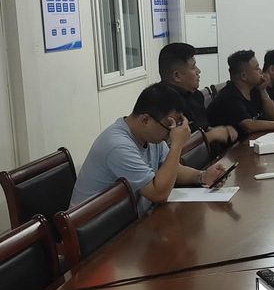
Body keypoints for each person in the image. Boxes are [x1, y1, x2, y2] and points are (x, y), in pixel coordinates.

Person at [71, 83, 227, 216]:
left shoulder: (151, 134)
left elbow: (173, 168)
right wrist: (177, 144)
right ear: (145, 120)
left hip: (127, 221)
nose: (171, 133)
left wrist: (203, 176)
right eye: (169, 127)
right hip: (95, 231)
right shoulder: (118, 146)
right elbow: (159, 194)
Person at [158, 42, 238, 146]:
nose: (198, 71)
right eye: (193, 67)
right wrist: (212, 135)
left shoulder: (195, 95)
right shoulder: (163, 104)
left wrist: (222, 131)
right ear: (177, 76)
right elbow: (173, 148)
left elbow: (202, 128)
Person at [207, 49, 274, 134]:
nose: (261, 71)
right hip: (231, 146)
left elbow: (272, 117)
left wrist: (263, 90)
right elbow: (249, 125)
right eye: (256, 68)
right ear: (244, 76)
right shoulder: (230, 96)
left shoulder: (254, 90)